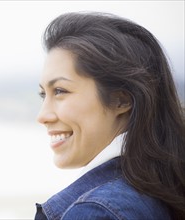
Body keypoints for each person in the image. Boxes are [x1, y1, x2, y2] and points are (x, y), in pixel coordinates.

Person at [35, 12, 185, 220]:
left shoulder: (98, 211)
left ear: (121, 100)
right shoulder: (161, 188)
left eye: (60, 91)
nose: (42, 116)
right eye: (44, 94)